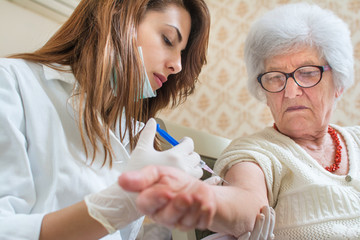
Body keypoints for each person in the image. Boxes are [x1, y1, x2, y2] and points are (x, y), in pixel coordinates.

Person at [118, 2, 360, 239]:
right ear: (263, 91)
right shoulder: (255, 152)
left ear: (338, 83)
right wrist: (200, 199)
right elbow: (247, 204)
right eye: (275, 77)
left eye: (307, 73)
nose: (291, 91)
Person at [0, 0, 211, 239]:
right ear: (118, 18)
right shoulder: (10, 83)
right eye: (168, 40)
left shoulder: (128, 131)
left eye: (181, 53)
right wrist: (128, 199)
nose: (177, 66)